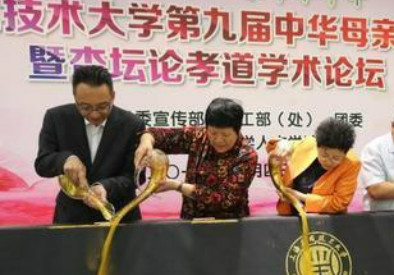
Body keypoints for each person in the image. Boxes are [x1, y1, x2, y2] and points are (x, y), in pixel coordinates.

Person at [34, 65, 144, 224]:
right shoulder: (56, 118)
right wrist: (65, 160)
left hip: (120, 217)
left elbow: (136, 177)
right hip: (71, 217)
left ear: (113, 96)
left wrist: (105, 187)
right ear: (75, 97)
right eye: (85, 107)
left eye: (102, 106)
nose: (94, 114)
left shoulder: (132, 124)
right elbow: (42, 163)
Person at [134, 98, 258, 219]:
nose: (219, 140)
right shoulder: (198, 136)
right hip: (190, 221)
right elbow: (162, 136)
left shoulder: (246, 155)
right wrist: (147, 141)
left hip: (229, 224)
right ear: (207, 127)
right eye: (213, 133)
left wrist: (178, 186)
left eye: (225, 135)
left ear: (238, 130)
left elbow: (225, 200)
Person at [266, 118, 361, 215]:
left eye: (335, 158)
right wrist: (282, 143)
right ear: (317, 146)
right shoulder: (307, 145)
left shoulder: (351, 163)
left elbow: (339, 203)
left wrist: (300, 197)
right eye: (324, 155)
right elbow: (273, 147)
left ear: (345, 153)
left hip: (327, 219)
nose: (328, 161)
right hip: (290, 214)